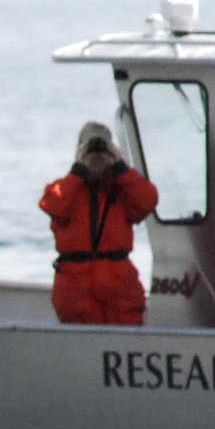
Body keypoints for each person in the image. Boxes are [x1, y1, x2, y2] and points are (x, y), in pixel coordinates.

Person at [40, 122, 159, 325]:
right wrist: (78, 169)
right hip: (76, 294)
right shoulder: (65, 189)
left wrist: (120, 165)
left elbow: (148, 200)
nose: (97, 155)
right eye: (89, 148)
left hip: (120, 293)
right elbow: (53, 205)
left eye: (103, 147)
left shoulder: (123, 190)